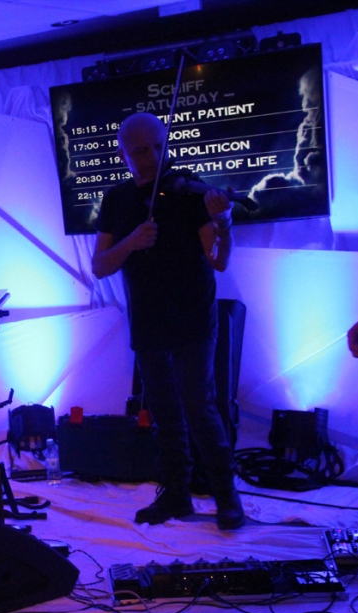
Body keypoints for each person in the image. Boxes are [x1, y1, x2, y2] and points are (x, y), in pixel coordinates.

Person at [91, 112, 245, 531]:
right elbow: (100, 265)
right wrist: (132, 241)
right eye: (140, 151)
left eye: (158, 147)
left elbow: (219, 260)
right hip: (148, 320)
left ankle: (227, 496)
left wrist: (224, 224)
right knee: (163, 411)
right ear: (123, 155)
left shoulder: (191, 192)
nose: (152, 158)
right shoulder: (116, 199)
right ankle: (177, 494)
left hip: (194, 316)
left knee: (199, 406)